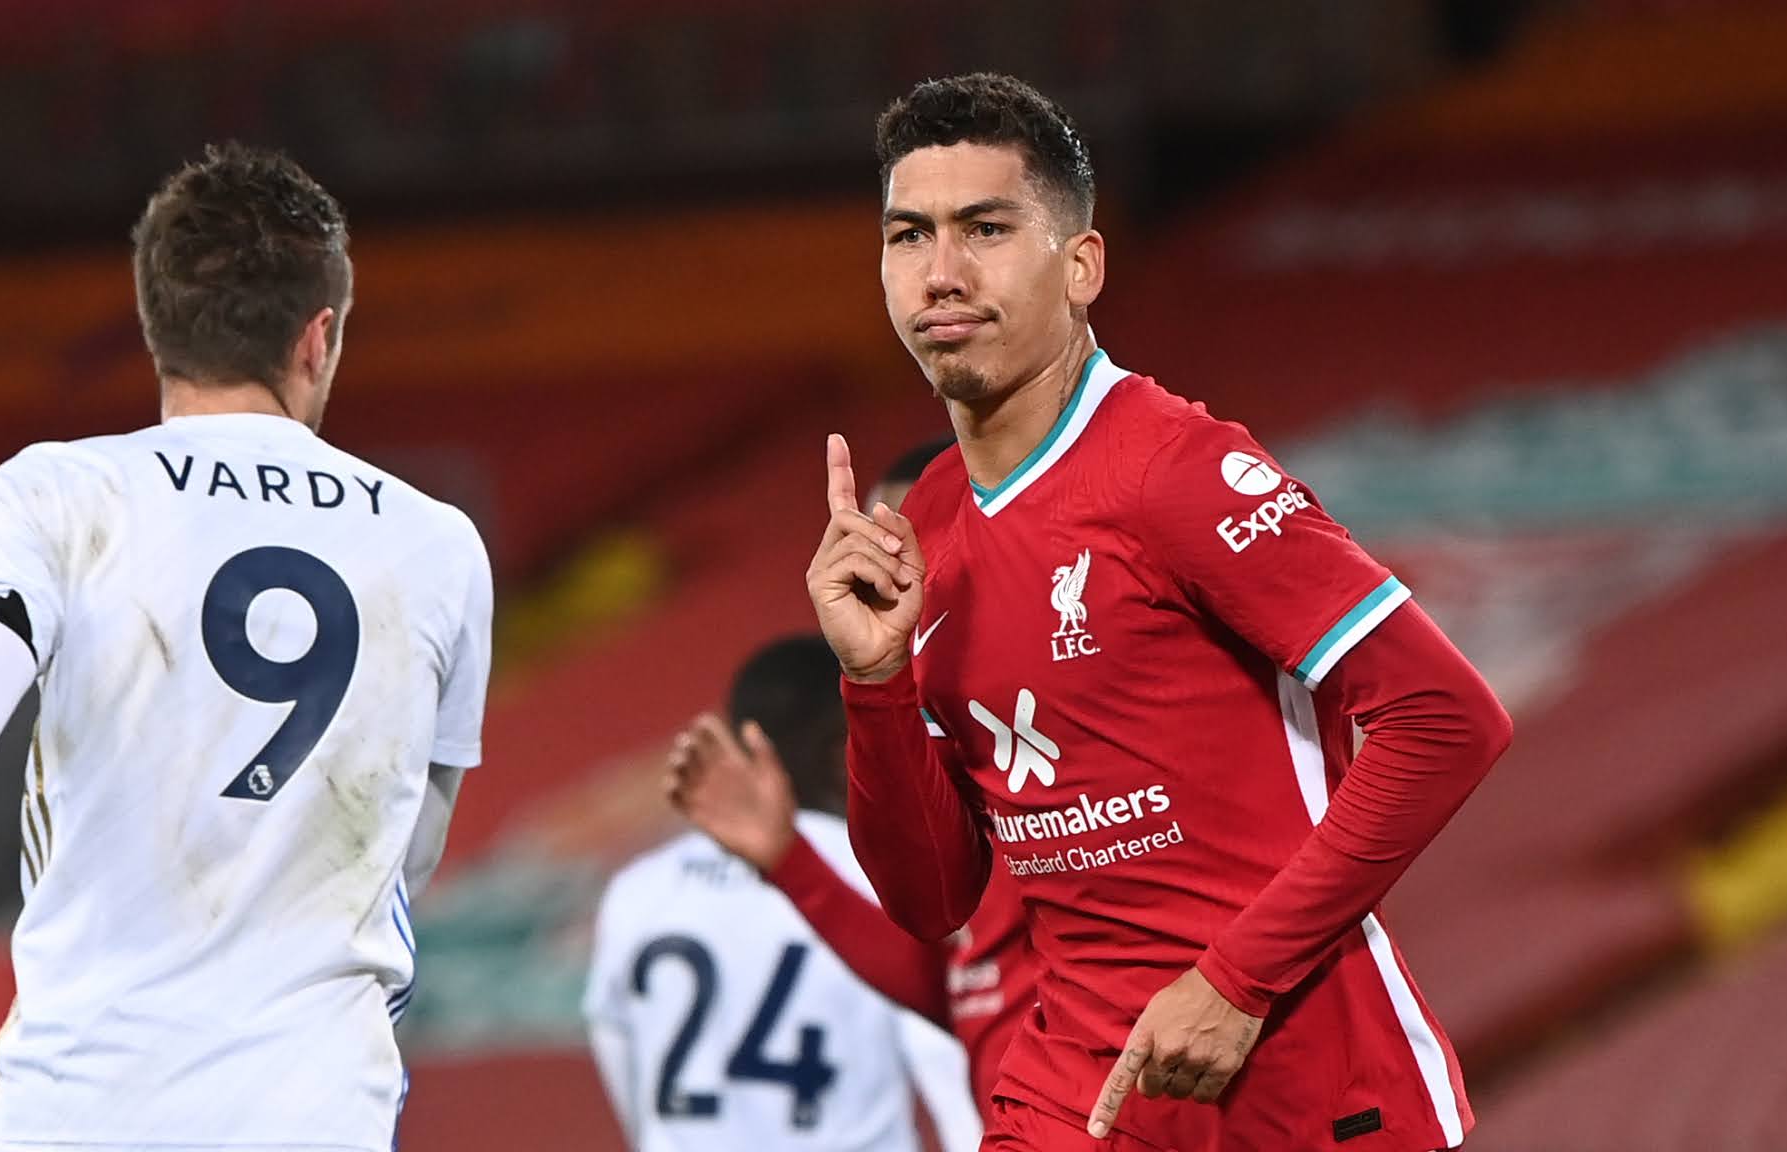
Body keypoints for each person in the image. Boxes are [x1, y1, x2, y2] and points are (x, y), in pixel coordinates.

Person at [805, 74, 1514, 1152]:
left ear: (1080, 264)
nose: (940, 273)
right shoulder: (928, 523)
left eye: (984, 229)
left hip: (1301, 1086)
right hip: (1076, 1097)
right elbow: (934, 897)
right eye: (909, 237)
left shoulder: (1174, 470)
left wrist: (1233, 982)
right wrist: (873, 684)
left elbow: (1447, 718)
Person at [0, 143, 492, 1151]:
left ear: (155, 324)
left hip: (81, 1100)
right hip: (313, 1106)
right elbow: (408, 845)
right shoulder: (438, 542)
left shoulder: (54, 493)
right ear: (318, 335)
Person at [669, 438, 1037, 1117]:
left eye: (904, 545)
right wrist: (789, 862)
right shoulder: (946, 749)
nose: (880, 579)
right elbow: (967, 988)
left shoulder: (1066, 736)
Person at [590, 635, 979, 1152]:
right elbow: (948, 1072)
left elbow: (617, 1046)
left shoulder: (636, 889)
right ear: (842, 747)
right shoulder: (873, 871)